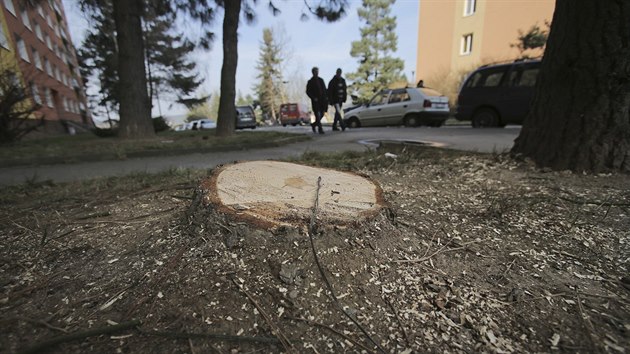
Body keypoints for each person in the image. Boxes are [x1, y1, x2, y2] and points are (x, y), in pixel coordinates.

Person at [306, 67, 328, 134]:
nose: (316, 72)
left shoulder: (321, 80)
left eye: (317, 71)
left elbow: (324, 90)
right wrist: (313, 97)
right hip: (315, 101)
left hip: (322, 100)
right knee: (317, 115)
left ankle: (314, 124)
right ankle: (320, 129)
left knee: (322, 114)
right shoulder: (310, 82)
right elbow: (308, 91)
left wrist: (326, 97)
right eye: (315, 71)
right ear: (312, 72)